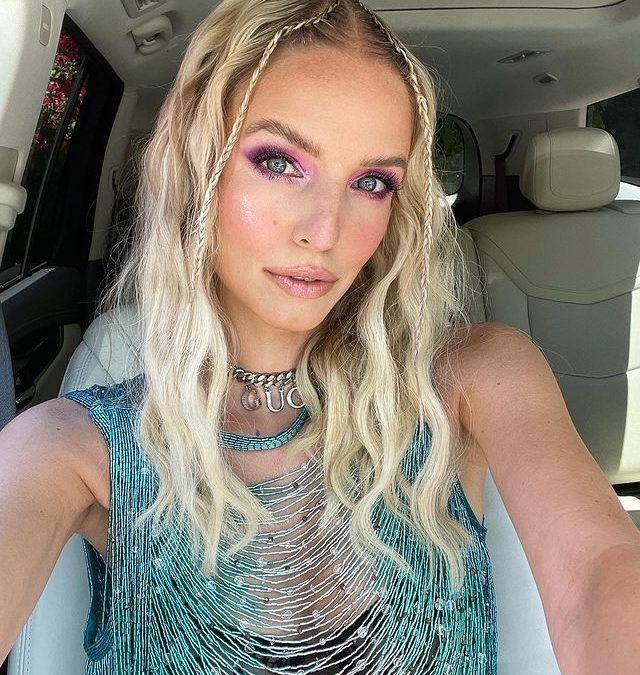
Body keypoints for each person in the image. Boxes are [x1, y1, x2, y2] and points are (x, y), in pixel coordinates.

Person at [1, 0, 640, 673]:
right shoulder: (74, 448)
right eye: (280, 163)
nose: (326, 230)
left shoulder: (472, 379)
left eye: (371, 182)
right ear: (197, 168)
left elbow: (598, 573)